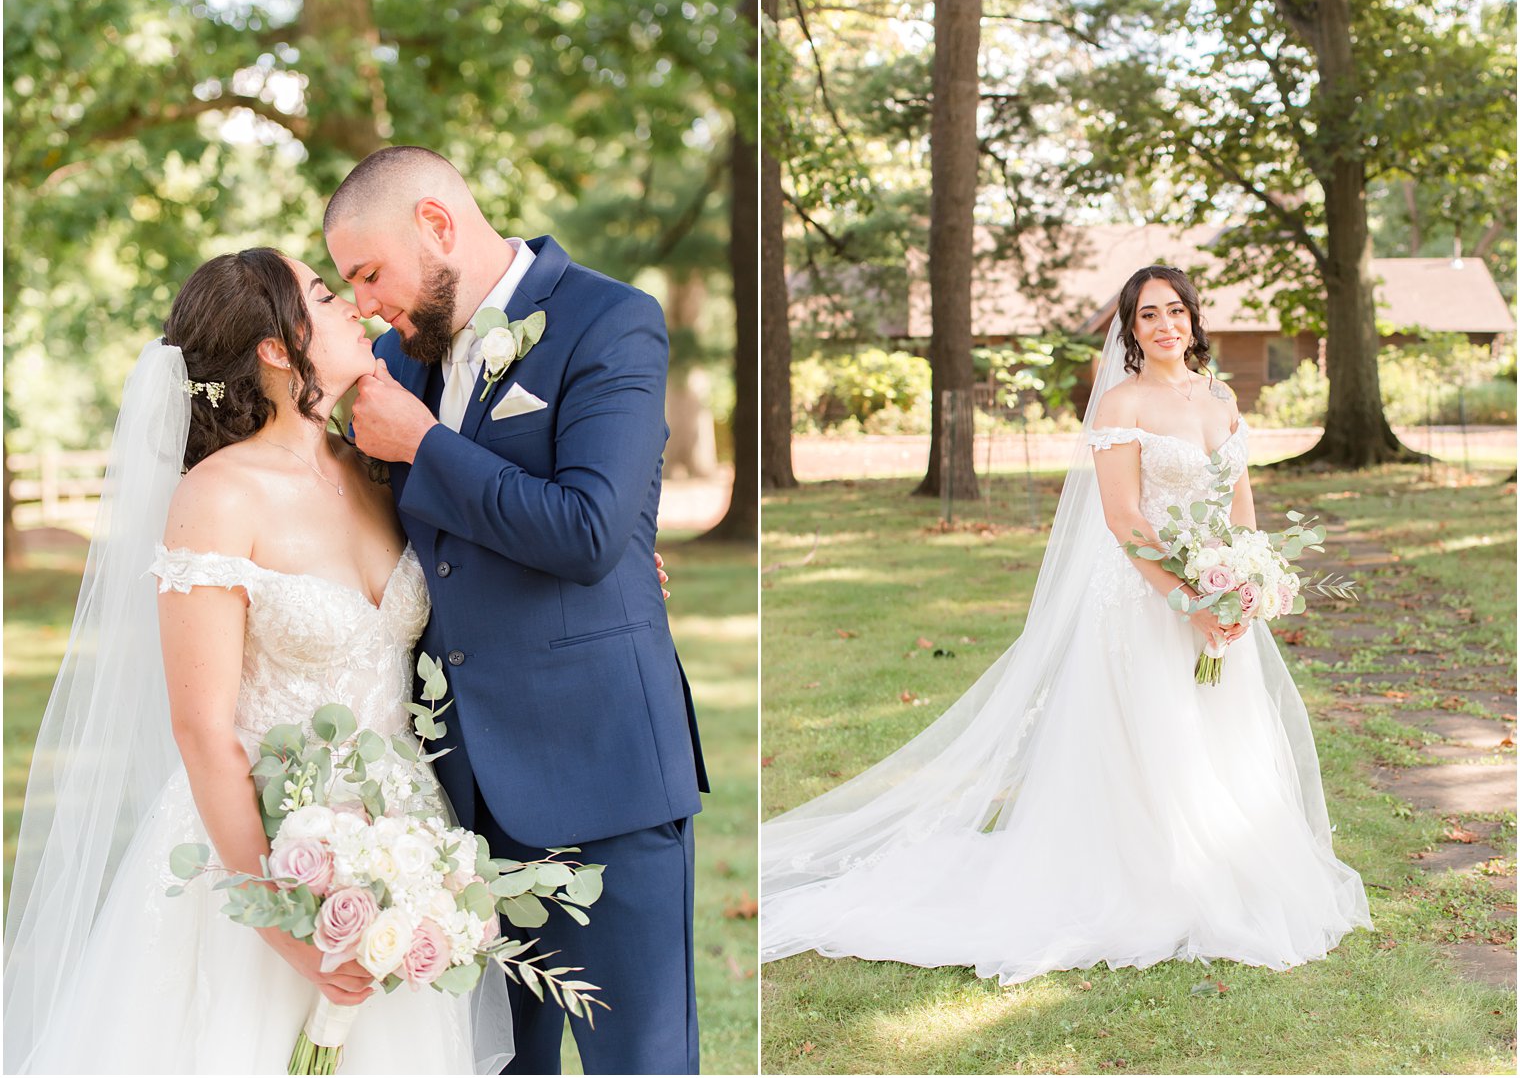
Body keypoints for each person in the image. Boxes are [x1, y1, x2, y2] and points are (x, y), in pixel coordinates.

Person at [760, 265, 1370, 985]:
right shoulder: (1122, 403)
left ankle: (1222, 859)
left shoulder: (1222, 398)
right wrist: (1190, 598)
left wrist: (1245, 581)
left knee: (1218, 731)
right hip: (1145, 600)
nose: (1165, 325)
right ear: (1132, 331)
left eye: (1176, 311)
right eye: (1148, 316)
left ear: (1194, 321)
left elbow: (1241, 503)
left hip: (1220, 597)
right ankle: (1152, 876)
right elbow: (1124, 518)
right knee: (1154, 736)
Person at [3, 247, 525, 1072]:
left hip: (404, 850)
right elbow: (202, 730)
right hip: (261, 853)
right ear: (278, 350)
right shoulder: (216, 497)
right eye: (325, 294)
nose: (355, 303)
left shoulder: (374, 469)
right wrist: (288, 926)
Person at [323, 146, 707, 1075]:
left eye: (370, 274)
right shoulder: (390, 363)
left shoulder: (612, 321)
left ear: (438, 225)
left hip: (601, 765)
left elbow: (586, 530)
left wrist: (426, 445)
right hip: (448, 797)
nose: (366, 304)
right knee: (491, 1064)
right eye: (349, 286)